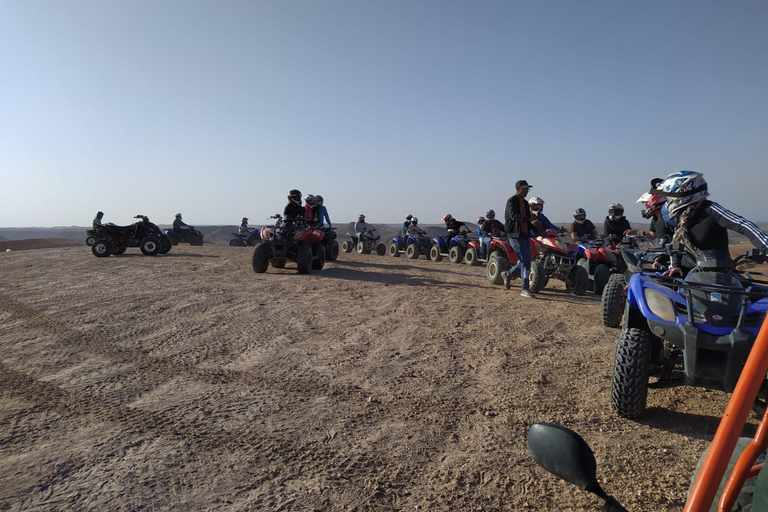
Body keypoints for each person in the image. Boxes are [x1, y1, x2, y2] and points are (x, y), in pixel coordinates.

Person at [651, 171, 768, 277]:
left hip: (718, 274)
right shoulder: (679, 216)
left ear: (683, 194)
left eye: (670, 197)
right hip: (688, 274)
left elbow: (743, 224)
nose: (668, 201)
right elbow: (676, 244)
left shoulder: (710, 209)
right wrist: (676, 265)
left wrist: (766, 247)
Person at [503, 180, 536, 298]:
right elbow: (514, 216)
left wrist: (535, 226)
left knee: (526, 260)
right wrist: (528, 219)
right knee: (525, 261)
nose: (527, 191)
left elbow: (527, 219)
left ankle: (507, 274)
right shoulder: (511, 201)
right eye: (524, 189)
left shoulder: (526, 203)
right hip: (514, 234)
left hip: (524, 234)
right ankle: (525, 288)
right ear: (518, 189)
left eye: (528, 189)